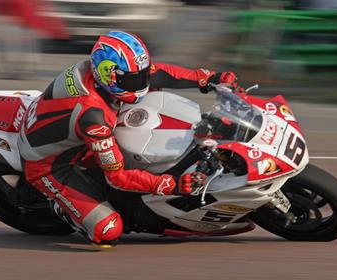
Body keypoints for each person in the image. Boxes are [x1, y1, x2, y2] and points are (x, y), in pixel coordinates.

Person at [18, 30, 237, 246]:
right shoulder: (94, 117)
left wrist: (207, 79)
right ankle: (61, 209)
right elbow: (117, 177)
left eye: (142, 74)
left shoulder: (103, 76)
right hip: (50, 164)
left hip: (70, 132)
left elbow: (158, 73)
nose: (143, 82)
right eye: (135, 79)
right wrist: (171, 184)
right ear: (109, 76)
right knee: (108, 231)